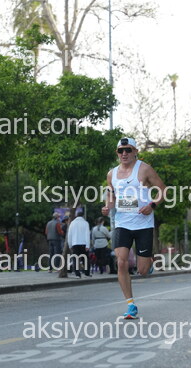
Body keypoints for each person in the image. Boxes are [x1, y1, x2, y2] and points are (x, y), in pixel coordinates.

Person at [102, 137, 166, 319]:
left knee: (142, 270)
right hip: (122, 223)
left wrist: (152, 205)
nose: (124, 153)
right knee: (121, 261)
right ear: (117, 153)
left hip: (143, 223)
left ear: (135, 151)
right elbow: (111, 195)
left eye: (128, 150)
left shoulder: (144, 169)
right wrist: (107, 207)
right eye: (120, 150)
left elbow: (163, 189)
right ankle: (130, 305)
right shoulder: (111, 174)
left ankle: (148, 263)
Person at [67, 211, 91, 278]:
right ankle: (87, 273)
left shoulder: (72, 223)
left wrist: (70, 244)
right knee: (85, 259)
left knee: (75, 259)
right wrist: (88, 245)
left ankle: (77, 274)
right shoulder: (85, 223)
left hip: (75, 243)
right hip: (83, 243)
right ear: (83, 216)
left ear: (76, 215)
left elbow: (69, 235)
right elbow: (87, 234)